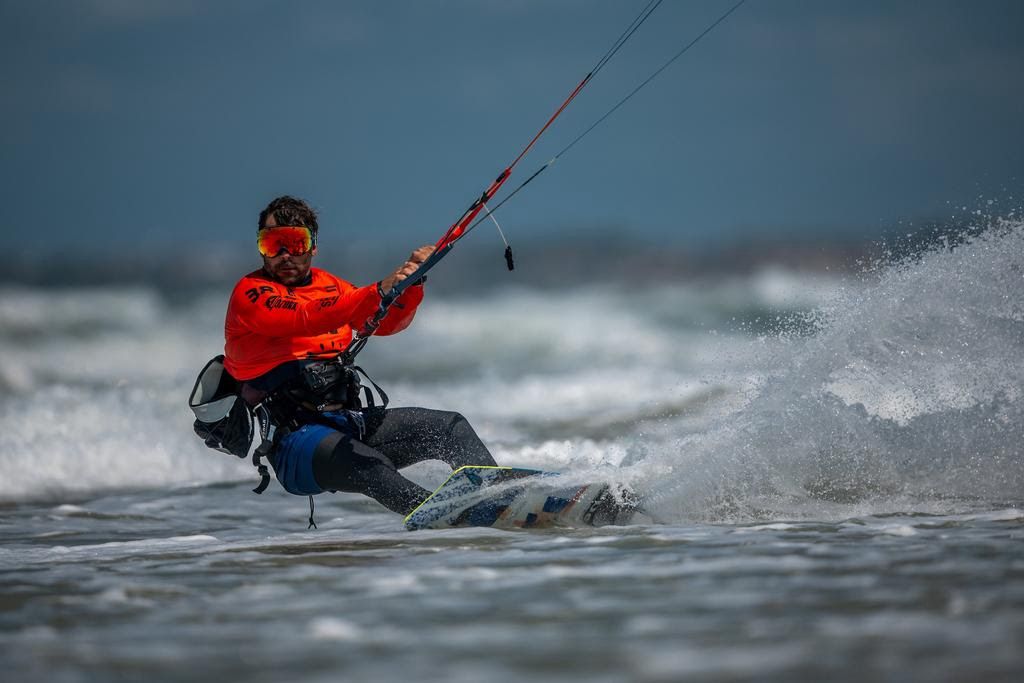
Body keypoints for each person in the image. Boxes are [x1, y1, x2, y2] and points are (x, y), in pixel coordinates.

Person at [222, 195, 497, 516]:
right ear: (260, 246)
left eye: (295, 243)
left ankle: (496, 500)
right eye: (273, 244)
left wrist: (412, 282)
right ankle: (450, 517)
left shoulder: (333, 287)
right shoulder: (251, 293)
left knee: (450, 428)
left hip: (347, 425)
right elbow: (306, 316)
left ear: (313, 247)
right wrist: (378, 289)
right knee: (372, 465)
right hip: (295, 445)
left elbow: (388, 323)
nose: (284, 255)